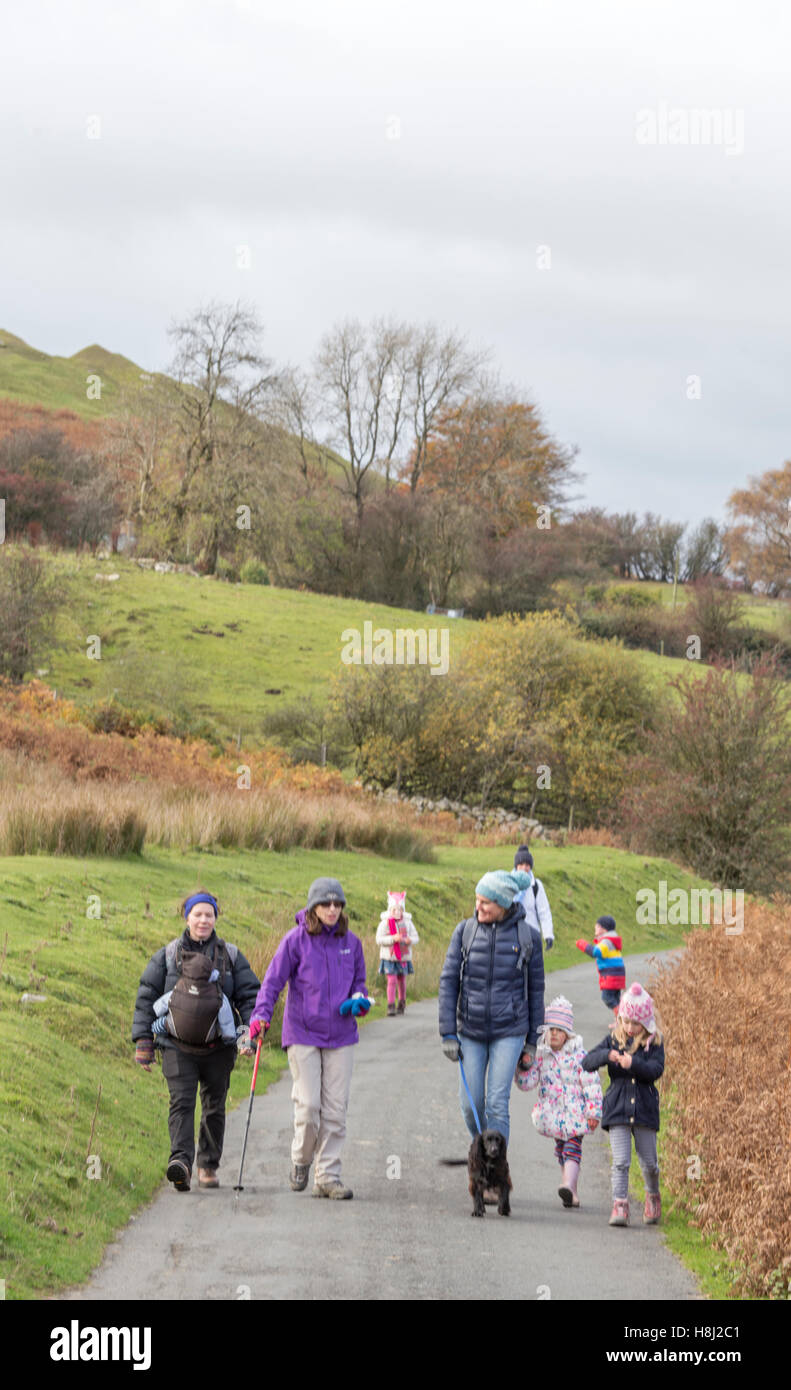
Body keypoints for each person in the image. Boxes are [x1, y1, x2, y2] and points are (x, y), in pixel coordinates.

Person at [249, 877, 371, 1200]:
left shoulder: (352, 943)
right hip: (302, 1032)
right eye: (326, 903)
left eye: (338, 904)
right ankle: (301, 1159)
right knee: (309, 1106)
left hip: (342, 1033)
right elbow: (273, 982)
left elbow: (360, 982)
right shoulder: (295, 940)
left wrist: (360, 999)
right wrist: (261, 1014)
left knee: (335, 1110)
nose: (333, 909)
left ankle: (328, 1176)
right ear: (313, 907)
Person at [132, 889, 259, 1192]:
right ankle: (181, 1163)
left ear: (216, 918)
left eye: (209, 914)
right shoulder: (167, 955)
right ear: (186, 916)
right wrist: (143, 1042)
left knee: (214, 1106)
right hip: (177, 1047)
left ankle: (208, 1165)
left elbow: (249, 996)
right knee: (182, 1103)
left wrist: (248, 1035)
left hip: (219, 1048)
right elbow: (147, 996)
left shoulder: (230, 955)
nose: (203, 920)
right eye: (197, 914)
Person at [438, 870, 545, 1152]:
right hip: (470, 1030)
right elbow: (449, 980)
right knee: (470, 1103)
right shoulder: (465, 932)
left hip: (509, 1032)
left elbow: (536, 992)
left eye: (486, 902)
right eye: (477, 900)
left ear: (504, 903)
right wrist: (448, 1032)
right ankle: (486, 1150)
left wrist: (533, 1043)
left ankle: (495, 1174)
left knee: (497, 1102)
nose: (479, 907)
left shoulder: (528, 937)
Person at [582, 982, 665, 1226]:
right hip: (617, 1109)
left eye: (635, 1023)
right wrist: (607, 1056)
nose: (629, 1028)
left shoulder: (654, 1044)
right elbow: (587, 1061)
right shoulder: (613, 1040)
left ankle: (653, 1195)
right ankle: (620, 1203)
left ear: (646, 1023)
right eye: (626, 1021)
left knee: (649, 1161)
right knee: (620, 1161)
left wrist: (634, 1065)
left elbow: (655, 1070)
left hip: (644, 1111)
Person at [515, 994, 602, 1208]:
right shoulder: (542, 1056)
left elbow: (592, 1084)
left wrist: (593, 1112)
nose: (554, 1034)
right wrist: (520, 1069)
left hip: (576, 1113)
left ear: (568, 1035)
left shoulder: (579, 1056)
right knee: (561, 1151)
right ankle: (570, 1190)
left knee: (572, 1149)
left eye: (559, 1031)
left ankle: (569, 1186)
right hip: (554, 1115)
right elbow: (530, 1082)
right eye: (550, 1030)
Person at [151, 959, 237, 1044]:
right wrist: (228, 1036)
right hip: (207, 1037)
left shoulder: (179, 988)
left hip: (175, 1031)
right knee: (219, 1027)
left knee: (163, 1023)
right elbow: (226, 1021)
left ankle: (157, 1032)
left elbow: (159, 1006)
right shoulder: (218, 994)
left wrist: (156, 1012)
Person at [375, 890, 419, 1016]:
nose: (397, 912)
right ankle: (390, 1005)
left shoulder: (408, 923)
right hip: (389, 957)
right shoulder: (384, 923)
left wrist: (409, 940)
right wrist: (393, 939)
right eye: (394, 910)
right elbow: (379, 939)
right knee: (392, 980)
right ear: (390, 910)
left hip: (403, 957)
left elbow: (416, 937)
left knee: (401, 980)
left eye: (399, 910)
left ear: (403, 910)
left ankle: (402, 1002)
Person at [575, 914, 625, 1020]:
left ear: (603, 928)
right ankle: (621, 1021)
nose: (595, 928)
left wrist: (582, 944)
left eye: (597, 926)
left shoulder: (606, 941)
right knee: (615, 999)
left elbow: (596, 952)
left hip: (611, 975)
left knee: (607, 998)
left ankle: (622, 1019)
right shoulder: (612, 939)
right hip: (618, 975)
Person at [512, 846, 554, 950]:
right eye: (521, 864)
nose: (524, 868)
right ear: (516, 866)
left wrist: (548, 935)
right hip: (512, 933)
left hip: (532, 934)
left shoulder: (536, 886)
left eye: (527, 865)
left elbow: (544, 911)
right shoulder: (508, 883)